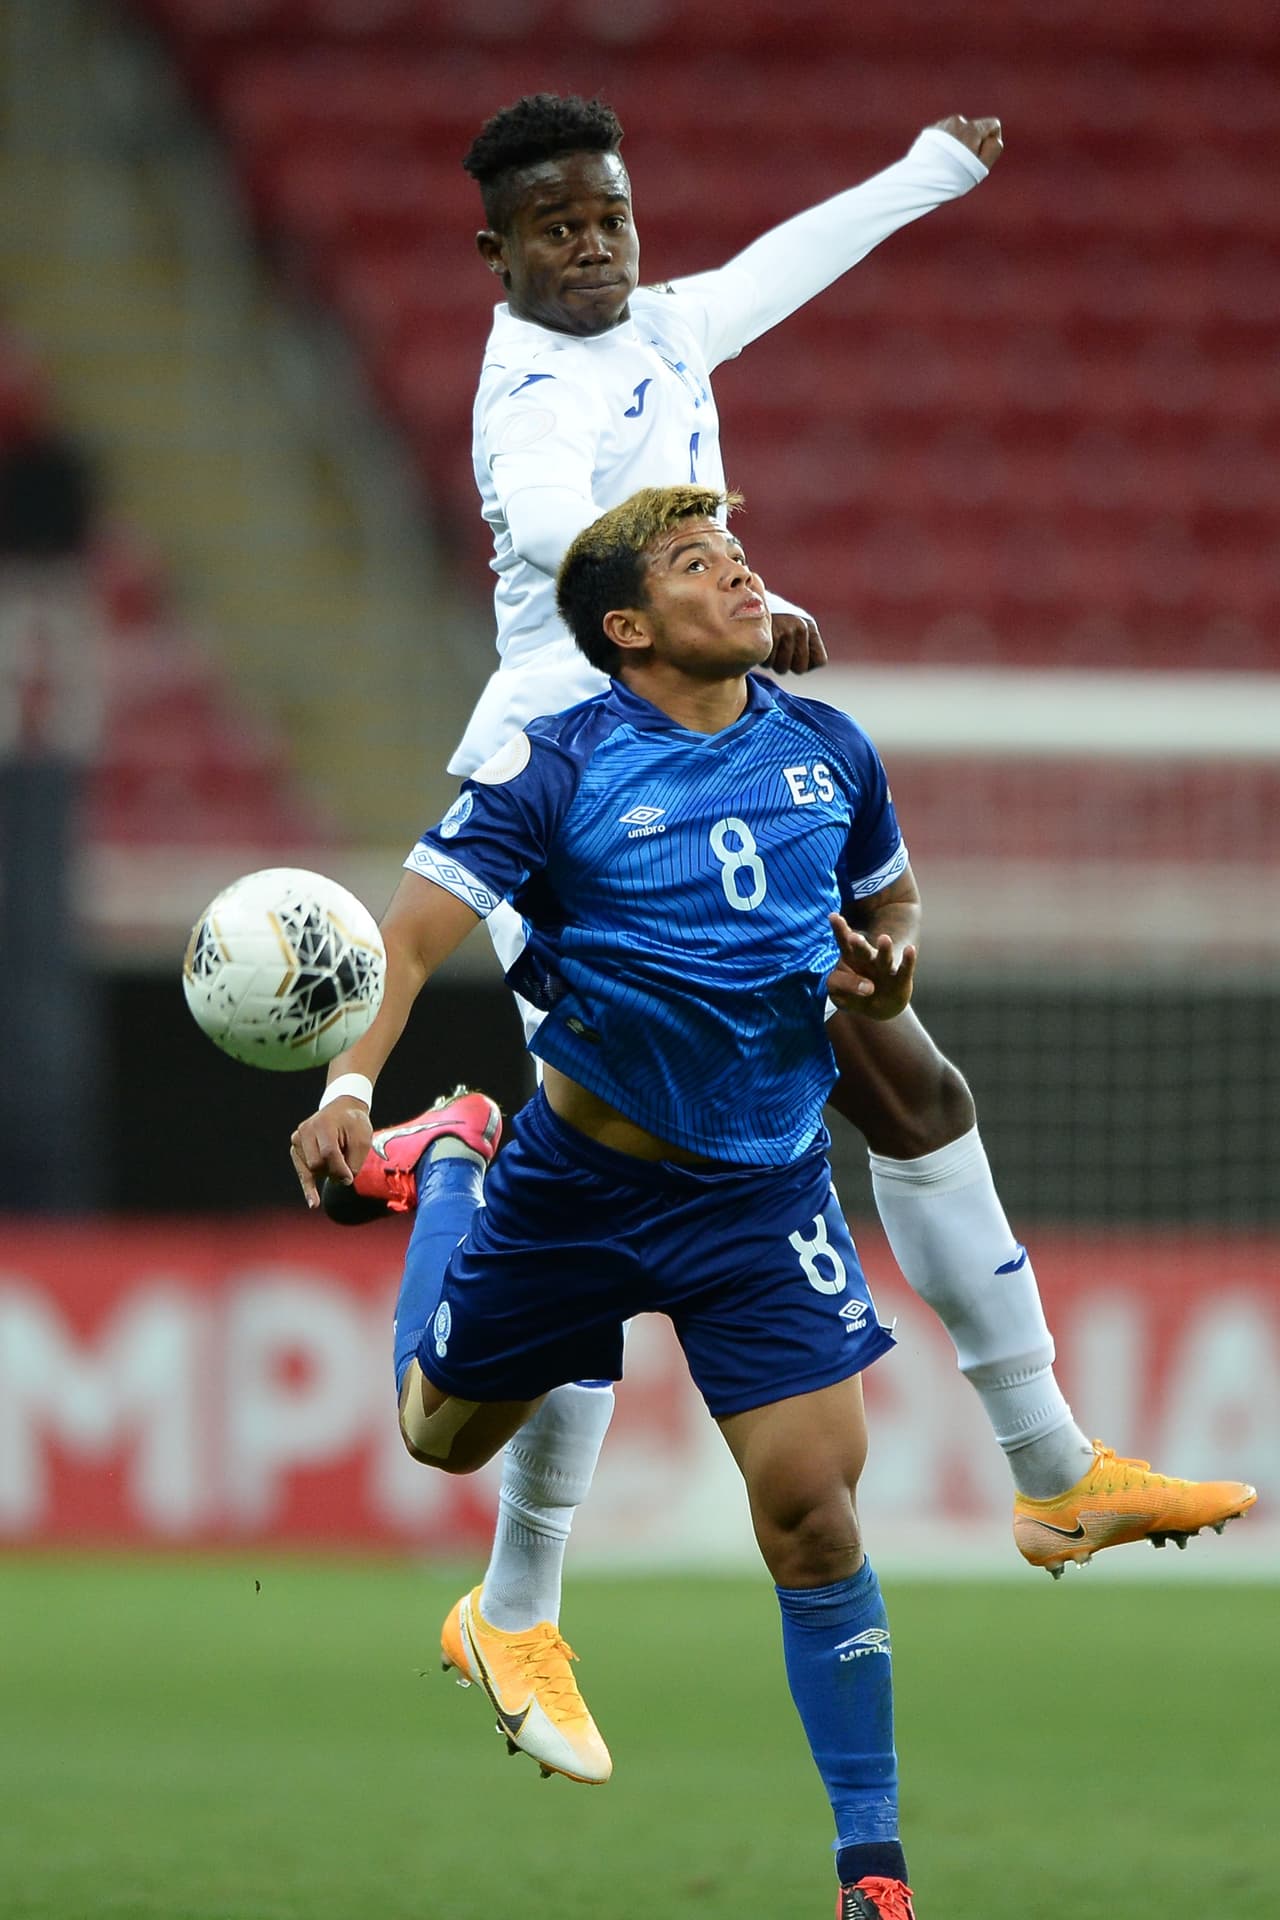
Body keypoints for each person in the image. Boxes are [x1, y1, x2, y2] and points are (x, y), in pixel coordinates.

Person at [321, 97, 1257, 1783]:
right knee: (602, 1175)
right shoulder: (522, 395)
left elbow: (777, 269)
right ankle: (519, 1589)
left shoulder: (664, 321)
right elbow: (546, 528)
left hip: (707, 758)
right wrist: (705, 586)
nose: (592, 241)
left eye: (607, 211)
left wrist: (925, 173)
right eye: (555, 225)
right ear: (499, 256)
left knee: (905, 1074)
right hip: (574, 785)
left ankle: (1051, 1464)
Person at [295, 485, 968, 1920]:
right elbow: (413, 936)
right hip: (577, 1192)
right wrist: (353, 1085)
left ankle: (874, 1875)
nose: (736, 573)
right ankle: (457, 1158)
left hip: (764, 1194)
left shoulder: (830, 750)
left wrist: (891, 966)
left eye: (732, 552)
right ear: (626, 626)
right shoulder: (558, 768)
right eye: (692, 563)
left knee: (816, 1519)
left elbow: (890, 905)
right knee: (438, 1439)